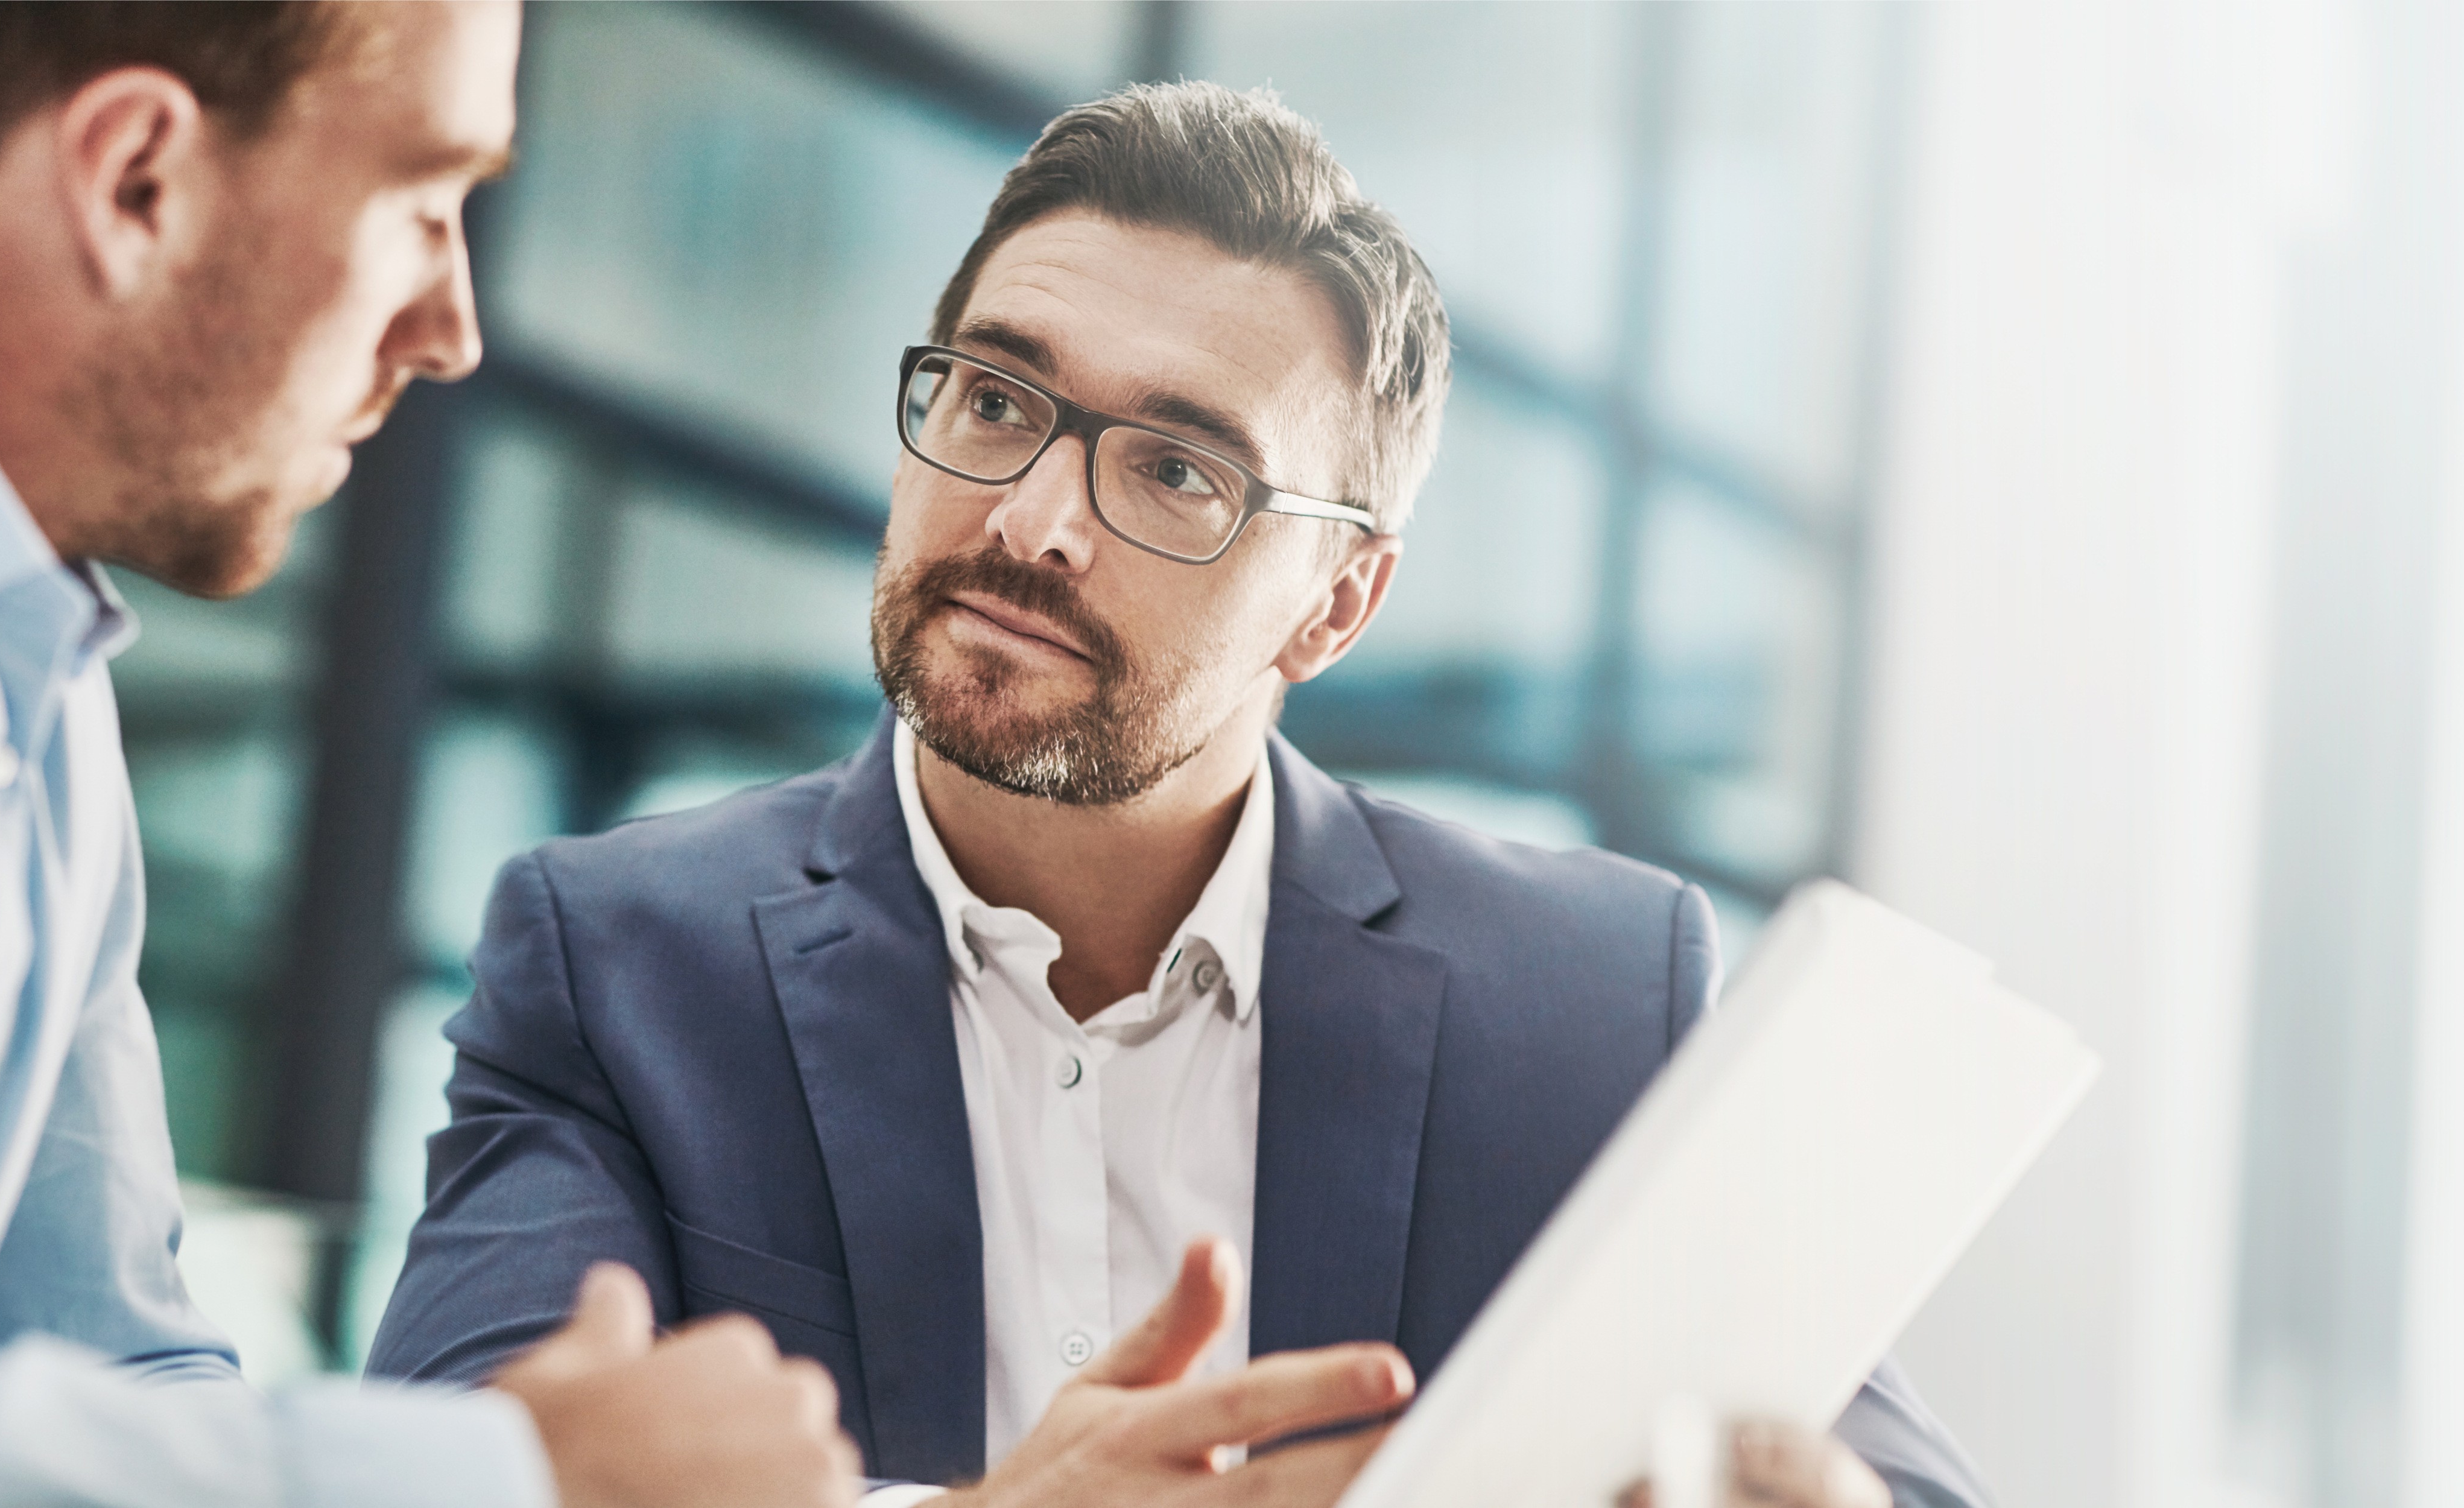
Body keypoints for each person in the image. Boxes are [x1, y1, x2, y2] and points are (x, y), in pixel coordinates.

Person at [366, 82, 1988, 1508]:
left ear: (1336, 603)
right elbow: (457, 1471)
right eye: (996, 403)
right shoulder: (623, 963)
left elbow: (1884, 1476)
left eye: (1174, 472)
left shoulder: (1590, 1006)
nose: (1032, 520)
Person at [0, 5, 860, 1506]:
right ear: (137, 180)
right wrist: (497, 1482)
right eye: (423, 200)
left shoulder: (31, 669)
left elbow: (125, 1365)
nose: (451, 327)